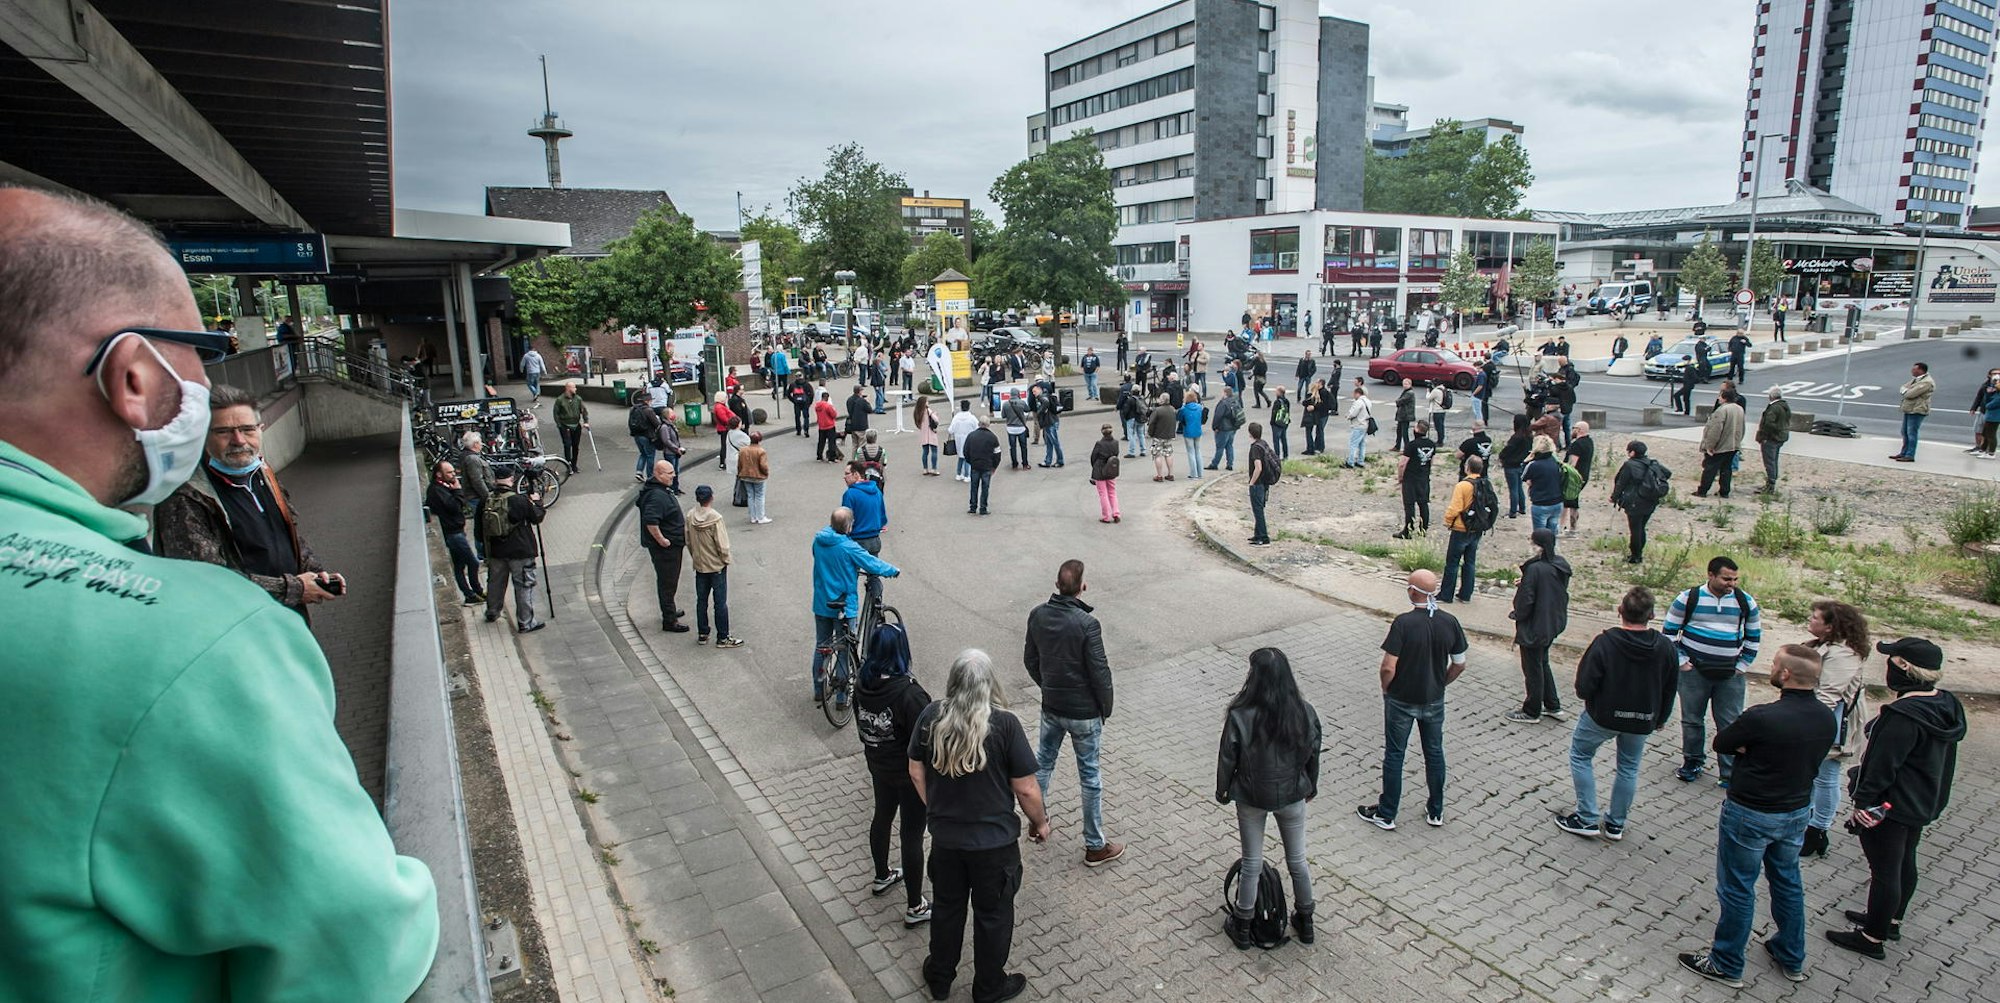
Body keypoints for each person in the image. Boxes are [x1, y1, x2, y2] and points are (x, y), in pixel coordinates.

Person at [0, 184, 438, 1000]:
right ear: (132, 373)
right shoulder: (194, 642)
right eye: (199, 346)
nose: (213, 393)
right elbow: (358, 948)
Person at [1676, 645, 1834, 989]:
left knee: (1737, 888)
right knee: (1788, 883)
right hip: (1795, 813)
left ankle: (1726, 962)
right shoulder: (1825, 717)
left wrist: (1751, 748)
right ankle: (1791, 956)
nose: (1772, 668)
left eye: (1776, 665)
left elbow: (1722, 743)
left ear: (1787, 675)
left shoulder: (1762, 717)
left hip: (1750, 813)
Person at [909, 650, 1049, 1003]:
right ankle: (988, 988)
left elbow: (914, 769)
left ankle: (940, 977)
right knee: (993, 917)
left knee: (947, 909)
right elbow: (1026, 788)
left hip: (947, 843)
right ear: (990, 684)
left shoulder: (931, 717)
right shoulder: (1005, 725)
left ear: (953, 682)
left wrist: (936, 808)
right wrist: (1040, 823)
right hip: (994, 849)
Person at [1825, 637, 1967, 959]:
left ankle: (1872, 938)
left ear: (1903, 667)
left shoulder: (1902, 714)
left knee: (1885, 871)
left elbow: (1881, 765)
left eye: (1892, 660)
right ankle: (1889, 920)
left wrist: (1863, 802)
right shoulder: (1945, 704)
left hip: (1891, 805)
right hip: (1922, 800)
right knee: (1905, 862)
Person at [153, 385, 344, 620]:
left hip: (286, 617)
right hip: (240, 631)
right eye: (224, 432)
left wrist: (315, 572)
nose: (238, 440)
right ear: (202, 436)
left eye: (247, 429)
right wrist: (295, 588)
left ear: (260, 429)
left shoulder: (262, 472)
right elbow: (208, 581)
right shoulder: (185, 499)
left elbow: (287, 534)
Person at [1552, 588, 1679, 841]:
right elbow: (1670, 687)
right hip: (1642, 718)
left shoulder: (1605, 643)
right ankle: (1615, 824)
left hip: (1603, 716)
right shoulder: (1665, 647)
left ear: (1620, 610)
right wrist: (1660, 718)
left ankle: (1587, 817)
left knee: (1580, 755)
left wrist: (1589, 699)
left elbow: (1585, 684)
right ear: (1652, 615)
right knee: (1629, 768)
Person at [1216, 647, 1321, 949]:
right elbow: (1313, 752)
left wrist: (1223, 790)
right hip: (1292, 794)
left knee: (1251, 862)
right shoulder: (1305, 711)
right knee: (1298, 860)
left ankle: (1244, 926)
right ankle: (1306, 920)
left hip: (1250, 795)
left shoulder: (1240, 714)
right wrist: (1309, 785)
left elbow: (1227, 757)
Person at [1024, 560, 1124, 868]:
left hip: (1052, 707)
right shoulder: (1086, 624)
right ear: (1083, 587)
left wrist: (1047, 686)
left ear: (1056, 585)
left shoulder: (1038, 615)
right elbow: (1100, 673)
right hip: (1084, 715)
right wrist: (1104, 707)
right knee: (1090, 776)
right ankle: (1095, 845)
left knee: (1043, 765)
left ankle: (1034, 823)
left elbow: (1030, 659)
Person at [1357, 571, 1469, 830]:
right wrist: (1441, 682)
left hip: (1401, 699)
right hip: (1433, 699)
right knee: (1434, 753)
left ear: (1412, 591)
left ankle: (1387, 813)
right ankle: (1436, 810)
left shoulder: (1404, 624)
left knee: (1395, 754)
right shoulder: (1449, 622)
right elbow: (1460, 664)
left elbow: (1388, 666)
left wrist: (1387, 689)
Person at [857, 614, 934, 929]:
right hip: (908, 773)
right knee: (912, 834)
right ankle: (916, 905)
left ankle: (882, 874)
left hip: (878, 765)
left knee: (882, 817)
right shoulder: (910, 694)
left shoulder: (862, 683)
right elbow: (929, 737)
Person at [1663, 556, 1764, 785]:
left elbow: (1753, 637)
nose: (1732, 584)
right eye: (1726, 578)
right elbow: (1669, 633)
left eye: (1735, 579)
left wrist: (1742, 666)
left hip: (1730, 675)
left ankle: (1728, 772)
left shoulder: (1744, 601)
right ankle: (1693, 761)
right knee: (1692, 720)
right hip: (1694, 672)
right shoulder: (1688, 598)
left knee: (1729, 723)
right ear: (1710, 575)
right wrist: (1682, 662)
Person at [1796, 600, 1869, 858]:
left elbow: (1828, 696)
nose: (1810, 619)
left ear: (1830, 627)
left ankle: (1818, 831)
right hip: (1820, 719)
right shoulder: (1825, 646)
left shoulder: (1843, 655)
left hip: (1831, 724)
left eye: (1815, 617)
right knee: (1814, 774)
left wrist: (1802, 724)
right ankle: (1808, 822)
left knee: (1826, 776)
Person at [811, 507, 901, 704]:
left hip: (821, 602)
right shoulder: (848, 547)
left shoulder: (818, 540)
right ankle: (842, 698)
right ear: (849, 526)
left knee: (822, 646)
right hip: (844, 605)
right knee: (844, 649)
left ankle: (819, 689)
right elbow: (871, 563)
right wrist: (892, 570)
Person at [1507, 527, 1572, 722]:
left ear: (1539, 546)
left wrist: (1517, 613)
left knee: (1532, 668)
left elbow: (1526, 601)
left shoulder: (1535, 569)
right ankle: (1552, 705)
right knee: (1542, 663)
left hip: (1535, 625)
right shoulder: (1560, 566)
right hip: (1553, 622)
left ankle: (1531, 710)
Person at [685, 484, 741, 647]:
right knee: (720, 602)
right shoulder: (715, 518)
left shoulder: (690, 516)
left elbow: (688, 540)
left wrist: (695, 557)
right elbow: (722, 545)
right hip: (716, 566)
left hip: (700, 565)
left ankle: (703, 633)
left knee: (701, 600)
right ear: (711, 497)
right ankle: (723, 637)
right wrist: (726, 560)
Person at [636, 460, 688, 633]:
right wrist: (663, 540)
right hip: (666, 549)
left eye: (673, 472)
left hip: (670, 546)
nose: (673, 475)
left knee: (669, 581)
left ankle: (670, 609)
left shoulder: (659, 490)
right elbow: (651, 521)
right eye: (669, 473)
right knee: (667, 582)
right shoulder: (656, 496)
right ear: (658, 474)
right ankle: (669, 620)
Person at [427, 460, 483, 605]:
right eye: (449, 472)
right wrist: (457, 490)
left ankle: (471, 594)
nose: (453, 475)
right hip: (453, 533)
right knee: (473, 562)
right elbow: (454, 507)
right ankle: (475, 591)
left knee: (459, 565)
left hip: (455, 530)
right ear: (439, 474)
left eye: (453, 471)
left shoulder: (444, 487)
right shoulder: (437, 490)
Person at [1438, 456, 1488, 602]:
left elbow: (1455, 508)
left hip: (1461, 527)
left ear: (1467, 467)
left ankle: (1446, 595)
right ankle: (1466, 594)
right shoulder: (1485, 484)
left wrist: (1448, 521)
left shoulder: (1463, 485)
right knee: (1470, 562)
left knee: (1452, 563)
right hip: (1477, 527)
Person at [1610, 440, 1668, 564]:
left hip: (1635, 501)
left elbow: (1621, 483)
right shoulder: (1653, 463)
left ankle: (1636, 556)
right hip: (1650, 500)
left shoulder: (1629, 465)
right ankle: (1639, 552)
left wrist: (1614, 497)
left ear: (1632, 452)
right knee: (1641, 527)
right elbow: (1667, 473)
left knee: (1635, 529)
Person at [1696, 388, 1745, 498]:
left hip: (1721, 446)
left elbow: (1715, 430)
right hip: (1733, 445)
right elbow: (1742, 428)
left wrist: (1710, 446)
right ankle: (1725, 491)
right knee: (1726, 469)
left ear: (1725, 398)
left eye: (1720, 396)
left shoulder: (1722, 410)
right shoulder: (1739, 409)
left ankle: (1702, 490)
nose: (1718, 398)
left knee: (1710, 469)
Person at [1393, 419, 1437, 539]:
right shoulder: (1431, 444)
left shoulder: (1411, 445)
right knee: (1423, 504)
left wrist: (1400, 477)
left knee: (1409, 504)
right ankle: (1423, 529)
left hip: (1411, 478)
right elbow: (1431, 460)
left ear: (1417, 429)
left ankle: (1408, 530)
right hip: (1424, 477)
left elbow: (1403, 463)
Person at [1891, 362, 1934, 462]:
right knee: (1904, 432)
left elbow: (1910, 394)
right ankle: (1903, 453)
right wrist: (1905, 390)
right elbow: (1903, 387)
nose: (1912, 371)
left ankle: (1910, 455)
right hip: (1910, 409)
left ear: (1921, 370)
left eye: (1914, 369)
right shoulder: (1916, 380)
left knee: (1912, 433)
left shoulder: (1927, 382)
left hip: (1918, 409)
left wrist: (1906, 391)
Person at [1245, 422, 1280, 546]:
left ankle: (1263, 537)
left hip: (1258, 483)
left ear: (1250, 433)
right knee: (1259, 509)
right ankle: (1257, 534)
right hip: (1265, 482)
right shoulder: (1263, 444)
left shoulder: (1255, 448)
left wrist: (1251, 482)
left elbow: (1258, 467)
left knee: (1258, 511)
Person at [1522, 435, 1564, 536]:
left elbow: (1525, 477)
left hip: (1540, 503)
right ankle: (1552, 550)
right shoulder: (1556, 463)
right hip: (1557, 502)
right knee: (1552, 533)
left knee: (1540, 535)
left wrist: (1526, 461)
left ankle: (1541, 551)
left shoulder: (1534, 465)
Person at [1753, 386, 1792, 494]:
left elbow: (1768, 424)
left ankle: (1770, 485)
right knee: (1774, 461)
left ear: (1770, 396)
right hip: (1780, 438)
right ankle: (1772, 483)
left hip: (1771, 438)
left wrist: (1764, 436)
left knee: (1769, 462)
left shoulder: (1774, 408)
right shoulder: (1785, 406)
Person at [963, 415, 1002, 515]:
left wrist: (970, 462)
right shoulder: (993, 437)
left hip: (975, 465)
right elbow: (997, 453)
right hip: (987, 466)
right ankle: (983, 508)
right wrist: (994, 466)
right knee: (985, 487)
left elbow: (965, 451)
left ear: (979, 424)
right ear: (988, 424)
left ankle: (973, 507)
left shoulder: (971, 436)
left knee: (974, 487)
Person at [1561, 421, 1594, 536]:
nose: (1572, 430)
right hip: (1583, 476)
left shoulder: (1577, 444)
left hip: (1573, 478)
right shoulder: (1589, 442)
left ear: (1579, 430)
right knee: (1573, 502)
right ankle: (1572, 528)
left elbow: (1572, 464)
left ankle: (1562, 527)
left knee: (1566, 502)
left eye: (1574, 428)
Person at [1498, 414, 1531, 519]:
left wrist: (1501, 456)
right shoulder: (1529, 436)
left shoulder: (1516, 437)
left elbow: (1508, 450)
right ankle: (1522, 508)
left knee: (1513, 489)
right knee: (1519, 487)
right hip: (1522, 464)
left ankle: (1512, 512)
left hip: (1511, 465)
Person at [1089, 424, 1121, 524]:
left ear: (1102, 432)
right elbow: (1116, 454)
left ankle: (1106, 516)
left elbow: (1093, 457)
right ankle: (1116, 513)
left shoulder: (1099, 444)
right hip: (1111, 469)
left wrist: (1095, 466)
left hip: (1100, 470)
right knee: (1112, 492)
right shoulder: (1116, 442)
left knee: (1103, 493)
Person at [551, 382, 588, 468]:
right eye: (574, 387)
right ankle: (568, 464)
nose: (576, 389)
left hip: (576, 425)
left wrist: (586, 421)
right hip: (565, 425)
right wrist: (559, 425)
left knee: (575, 445)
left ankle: (574, 464)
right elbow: (556, 413)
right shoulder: (560, 400)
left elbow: (583, 410)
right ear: (568, 388)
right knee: (567, 445)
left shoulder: (578, 399)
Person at [1207, 386, 1243, 471]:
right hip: (1233, 428)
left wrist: (1215, 427)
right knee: (1229, 446)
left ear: (1225, 393)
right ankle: (1230, 464)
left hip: (1224, 428)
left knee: (1220, 447)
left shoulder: (1223, 403)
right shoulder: (1235, 401)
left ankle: (1214, 464)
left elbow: (1218, 416)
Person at [1967, 367, 2000, 457]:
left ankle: (1990, 452)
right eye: (1994, 373)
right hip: (1985, 412)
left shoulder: (1998, 386)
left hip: (1994, 414)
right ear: (1989, 375)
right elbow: (1980, 396)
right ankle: (1981, 449)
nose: (1997, 375)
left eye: (1999, 374)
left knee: (1991, 434)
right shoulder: (1986, 384)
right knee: (1982, 431)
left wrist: (1988, 406)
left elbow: (1996, 400)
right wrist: (1974, 407)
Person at [1147, 393, 1180, 482]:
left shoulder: (1157, 410)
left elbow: (1151, 423)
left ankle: (1159, 475)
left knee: (1157, 455)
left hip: (1158, 435)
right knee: (1168, 454)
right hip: (1169, 435)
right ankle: (1170, 474)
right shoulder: (1172, 409)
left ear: (1162, 400)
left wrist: (1150, 433)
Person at [629, 396, 661, 481]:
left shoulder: (633, 409)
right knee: (650, 455)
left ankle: (639, 472)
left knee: (643, 453)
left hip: (636, 435)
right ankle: (650, 476)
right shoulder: (649, 410)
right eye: (651, 400)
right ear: (647, 401)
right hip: (647, 436)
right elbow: (657, 424)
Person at [1344, 383, 1374, 468]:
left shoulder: (1358, 402)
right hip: (1365, 424)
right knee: (1362, 444)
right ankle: (1360, 461)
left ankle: (1350, 462)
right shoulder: (1368, 401)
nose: (1353, 396)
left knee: (1353, 444)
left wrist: (1348, 416)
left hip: (1358, 425)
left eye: (1354, 394)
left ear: (1357, 393)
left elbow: (1353, 413)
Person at [949, 398, 979, 482]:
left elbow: (950, 430)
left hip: (958, 439)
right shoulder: (972, 418)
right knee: (967, 457)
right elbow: (977, 428)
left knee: (960, 457)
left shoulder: (956, 417)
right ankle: (967, 475)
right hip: (969, 439)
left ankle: (959, 474)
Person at [1034, 384, 1064, 468]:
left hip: (1050, 422)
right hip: (1051, 421)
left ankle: (1059, 460)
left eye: (1035, 391)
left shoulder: (1042, 397)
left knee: (1054, 442)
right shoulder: (1046, 396)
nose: (1034, 393)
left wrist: (1039, 412)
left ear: (1040, 389)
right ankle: (1048, 461)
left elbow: (1045, 403)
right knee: (1050, 443)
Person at [1179, 390, 1207, 478]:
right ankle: (1200, 473)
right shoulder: (1199, 407)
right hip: (1197, 430)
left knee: (1191, 452)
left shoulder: (1184, 409)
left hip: (1188, 431)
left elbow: (1179, 417)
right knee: (1198, 451)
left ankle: (1193, 473)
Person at [1001, 391, 1030, 470]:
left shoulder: (1006, 404)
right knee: (1023, 447)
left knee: (1012, 447)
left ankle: (1014, 464)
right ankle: (1025, 464)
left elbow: (1003, 416)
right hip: (1021, 428)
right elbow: (1027, 410)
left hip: (1010, 429)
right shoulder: (1022, 402)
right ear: (1018, 394)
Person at [814, 390, 841, 462]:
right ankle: (831, 458)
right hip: (829, 426)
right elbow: (834, 415)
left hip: (821, 426)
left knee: (821, 442)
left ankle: (819, 456)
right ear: (827, 398)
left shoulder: (817, 405)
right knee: (831, 442)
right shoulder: (828, 406)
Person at [1269, 386, 1292, 460]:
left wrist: (1272, 422)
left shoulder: (1277, 402)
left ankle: (1277, 456)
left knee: (1276, 441)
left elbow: (1274, 413)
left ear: (1279, 392)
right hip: (1284, 422)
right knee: (1284, 439)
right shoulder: (1287, 401)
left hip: (1277, 423)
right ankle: (1285, 455)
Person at [1393, 378, 1416, 450]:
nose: (1404, 385)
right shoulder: (1406, 391)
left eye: (1406, 384)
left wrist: (1397, 401)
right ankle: (1397, 446)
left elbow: (1401, 401)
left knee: (1404, 433)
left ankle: (1407, 448)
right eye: (1404, 384)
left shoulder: (1409, 393)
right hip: (1403, 415)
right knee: (1399, 431)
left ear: (1410, 384)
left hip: (1406, 415)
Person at [1425, 380, 1448, 444]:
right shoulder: (1443, 389)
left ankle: (1440, 441)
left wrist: (1428, 391)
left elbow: (1428, 398)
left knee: (1438, 427)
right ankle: (1441, 439)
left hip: (1437, 411)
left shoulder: (1436, 391)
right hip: (1443, 410)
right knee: (1441, 426)